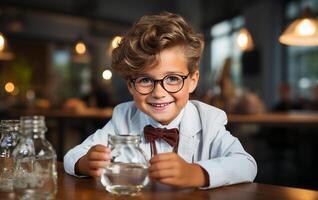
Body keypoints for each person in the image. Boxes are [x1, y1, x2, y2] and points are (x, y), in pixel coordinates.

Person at [64, 12, 257, 188]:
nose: (159, 92)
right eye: (145, 80)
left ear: (192, 81)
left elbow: (246, 165)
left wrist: (195, 173)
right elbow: (72, 155)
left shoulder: (208, 120)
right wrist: (85, 162)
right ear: (131, 86)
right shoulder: (123, 117)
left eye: (172, 78)